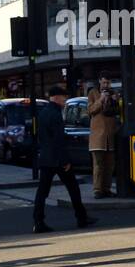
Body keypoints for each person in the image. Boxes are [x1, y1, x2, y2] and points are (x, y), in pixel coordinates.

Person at [32, 86, 94, 233]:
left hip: (46, 158)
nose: (65, 100)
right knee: (73, 188)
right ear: (55, 97)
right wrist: (65, 160)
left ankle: (38, 221)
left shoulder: (42, 113)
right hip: (58, 159)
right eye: (63, 97)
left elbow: (42, 137)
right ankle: (81, 218)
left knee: (42, 192)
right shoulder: (55, 114)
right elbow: (59, 139)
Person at [86, 74, 120, 198]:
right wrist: (100, 99)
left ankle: (107, 189)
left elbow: (117, 111)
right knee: (98, 164)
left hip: (110, 135)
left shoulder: (113, 94)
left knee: (109, 165)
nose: (106, 85)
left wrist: (115, 101)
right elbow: (90, 111)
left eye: (108, 83)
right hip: (98, 136)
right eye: (104, 82)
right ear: (100, 81)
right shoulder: (93, 93)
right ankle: (97, 190)